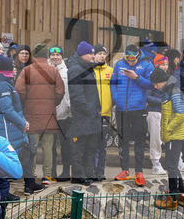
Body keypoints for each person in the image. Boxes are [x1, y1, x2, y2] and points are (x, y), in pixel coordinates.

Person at [15, 44, 64, 188]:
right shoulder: (54, 71)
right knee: (48, 147)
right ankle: (47, 175)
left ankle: (32, 174)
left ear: (34, 55)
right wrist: (53, 102)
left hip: (31, 115)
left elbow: (19, 90)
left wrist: (26, 103)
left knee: (32, 147)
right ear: (46, 55)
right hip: (49, 115)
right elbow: (60, 91)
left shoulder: (27, 70)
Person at [111, 44, 153, 187]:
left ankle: (139, 171)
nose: (130, 62)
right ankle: (124, 170)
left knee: (139, 140)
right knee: (123, 139)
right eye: (128, 59)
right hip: (121, 109)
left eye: (133, 59)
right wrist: (116, 99)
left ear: (138, 55)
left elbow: (151, 84)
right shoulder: (119, 65)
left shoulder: (146, 65)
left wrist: (137, 78)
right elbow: (113, 83)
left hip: (138, 108)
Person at [152, 64, 184, 211]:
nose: (155, 87)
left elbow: (181, 114)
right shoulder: (169, 90)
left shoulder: (173, 91)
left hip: (175, 135)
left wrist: (168, 128)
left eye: (156, 83)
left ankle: (173, 198)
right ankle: (181, 194)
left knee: (171, 165)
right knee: (172, 163)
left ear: (162, 81)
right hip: (172, 135)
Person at [65, 42, 102, 185]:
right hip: (82, 117)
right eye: (91, 53)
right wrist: (88, 109)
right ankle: (78, 176)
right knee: (79, 148)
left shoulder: (87, 68)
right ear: (82, 55)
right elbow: (77, 94)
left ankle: (88, 173)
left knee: (91, 147)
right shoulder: (75, 69)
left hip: (92, 116)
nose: (93, 56)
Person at [49, 46, 72, 181]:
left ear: (62, 56)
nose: (55, 57)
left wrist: (68, 107)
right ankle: (51, 170)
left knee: (65, 144)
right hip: (49, 114)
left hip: (64, 114)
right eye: (52, 55)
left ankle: (65, 170)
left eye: (57, 55)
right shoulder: (46, 70)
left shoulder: (67, 71)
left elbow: (69, 92)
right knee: (50, 144)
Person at [146, 54, 171, 174]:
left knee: (173, 137)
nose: (165, 67)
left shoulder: (170, 80)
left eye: (166, 64)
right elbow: (147, 96)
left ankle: (178, 160)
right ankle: (155, 162)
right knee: (155, 138)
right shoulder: (152, 78)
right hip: (154, 111)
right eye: (162, 65)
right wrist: (162, 102)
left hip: (167, 112)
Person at [92, 44, 114, 182]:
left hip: (105, 113)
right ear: (93, 55)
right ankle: (92, 171)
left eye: (103, 53)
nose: (102, 56)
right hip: (92, 114)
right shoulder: (89, 71)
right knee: (92, 144)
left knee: (102, 145)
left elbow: (115, 90)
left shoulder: (111, 71)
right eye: (99, 53)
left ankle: (100, 171)